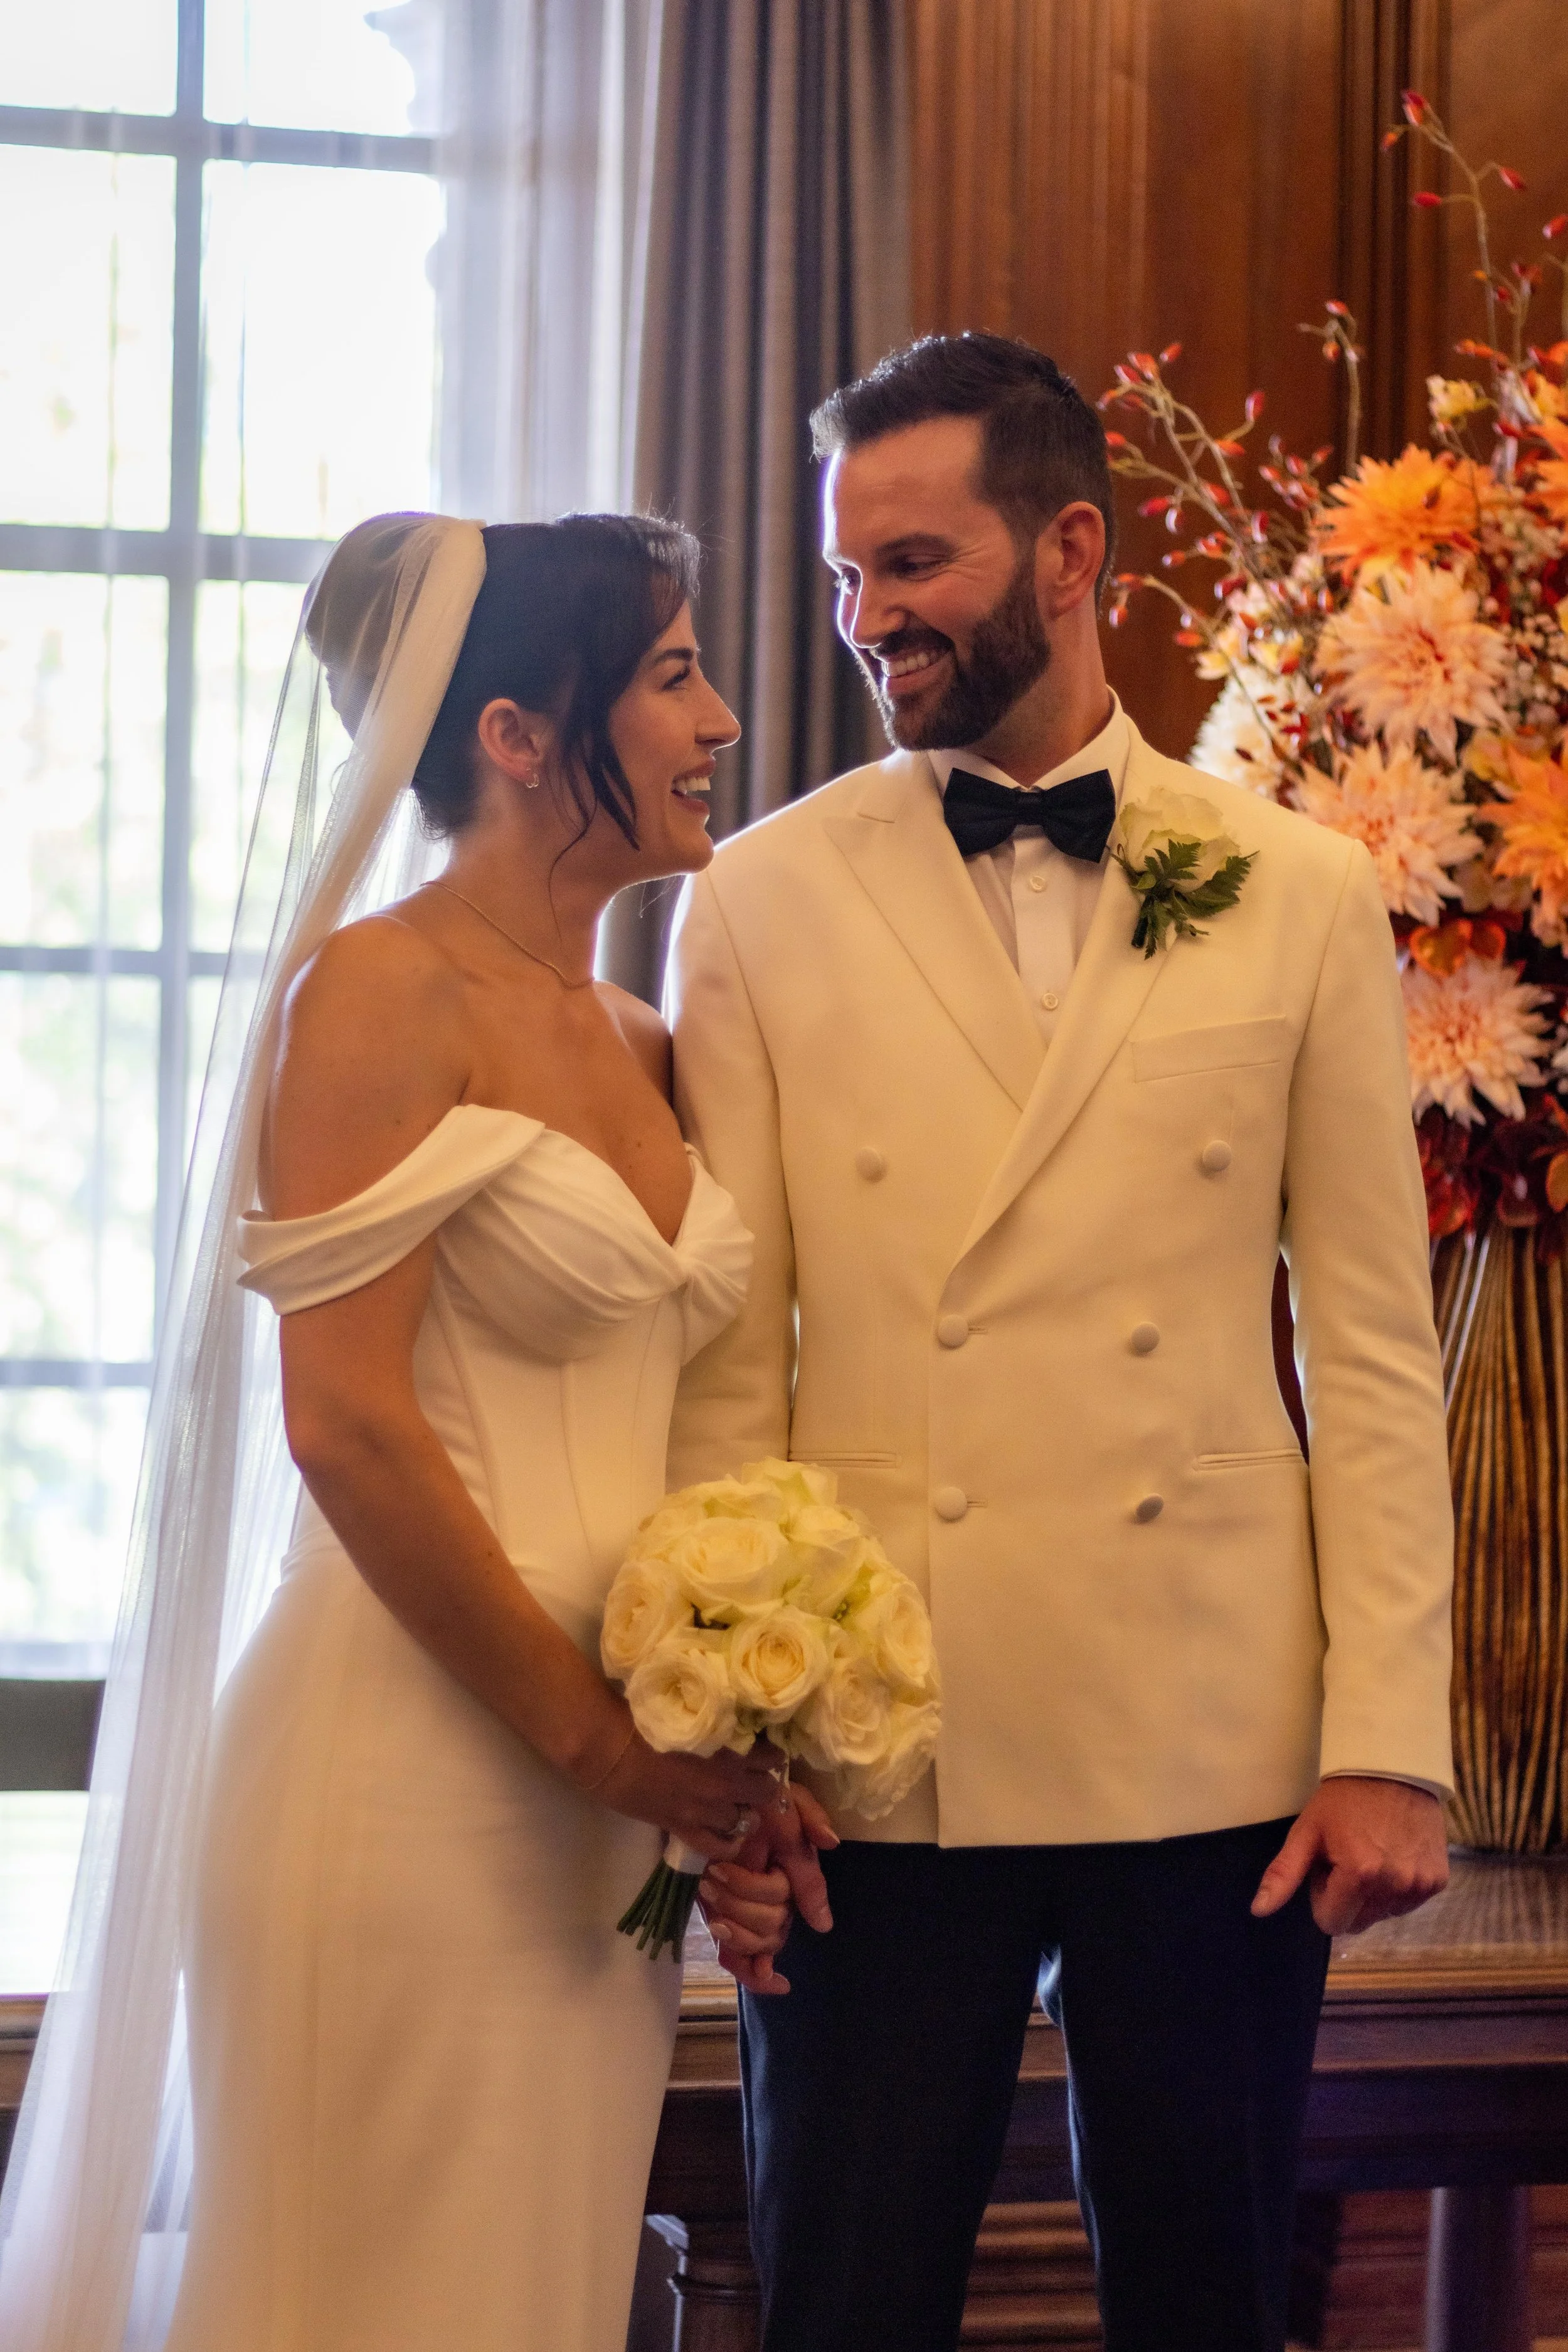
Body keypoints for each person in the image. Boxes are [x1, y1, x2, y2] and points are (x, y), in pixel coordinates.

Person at [665, 334, 1455, 2352]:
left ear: (1072, 548)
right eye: (848, 577)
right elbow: (727, 1363)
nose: (871, 621)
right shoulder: (755, 901)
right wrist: (731, 1750)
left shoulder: (1294, 889)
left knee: (1205, 2292)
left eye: (913, 563)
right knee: (846, 2292)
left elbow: (1367, 1344)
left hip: (1205, 1723)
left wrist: (1385, 1741)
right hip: (871, 1732)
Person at [0, 511, 828, 2352]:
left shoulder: (638, 1032)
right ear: (521, 734)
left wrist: (709, 1757)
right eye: (675, 675)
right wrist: (598, 1744)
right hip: (402, 1772)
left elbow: (699, 1428)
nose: (719, 725)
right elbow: (348, 1423)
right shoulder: (375, 993)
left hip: (600, 1833)